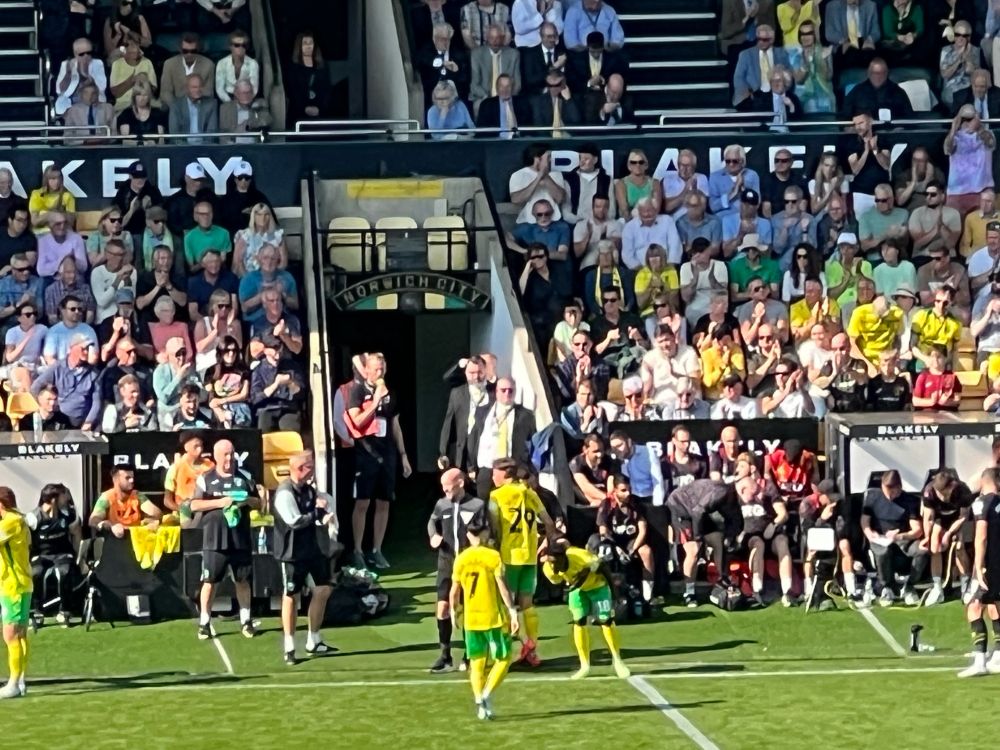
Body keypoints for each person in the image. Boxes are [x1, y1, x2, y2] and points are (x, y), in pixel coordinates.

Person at [346, 352, 412, 570]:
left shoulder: (390, 393)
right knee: (363, 502)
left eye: (382, 369)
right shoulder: (357, 391)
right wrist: (375, 402)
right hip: (365, 453)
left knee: (384, 502)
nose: (380, 373)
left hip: (388, 453)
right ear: (366, 370)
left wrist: (403, 456)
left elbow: (395, 425)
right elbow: (356, 421)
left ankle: (377, 549)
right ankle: (357, 550)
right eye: (376, 369)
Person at [487, 457, 555, 667]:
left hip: (509, 556)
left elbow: (495, 528)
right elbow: (548, 522)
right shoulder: (530, 492)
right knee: (527, 604)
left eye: (495, 473)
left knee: (506, 605)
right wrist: (547, 545)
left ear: (505, 474)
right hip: (529, 556)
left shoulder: (496, 496)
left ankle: (506, 653)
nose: (492, 477)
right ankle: (532, 650)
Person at [450, 516, 518, 721]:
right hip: (493, 618)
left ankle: (480, 702)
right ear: (485, 533)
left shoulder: (461, 558)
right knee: (504, 659)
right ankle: (487, 694)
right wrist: (512, 610)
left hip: (471, 620)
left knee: (477, 663)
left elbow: (454, 590)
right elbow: (502, 586)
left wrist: (454, 611)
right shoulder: (493, 556)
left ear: (468, 535)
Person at [191, 439, 260, 639]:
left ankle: (246, 621)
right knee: (210, 581)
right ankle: (204, 622)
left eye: (231, 454)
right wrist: (220, 502)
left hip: (240, 539)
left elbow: (258, 503)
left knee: (242, 580)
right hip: (214, 539)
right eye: (225, 455)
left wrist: (246, 500)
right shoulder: (206, 478)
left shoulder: (245, 477)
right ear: (216, 456)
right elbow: (193, 505)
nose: (229, 459)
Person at [273, 451, 336, 665]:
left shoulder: (309, 490)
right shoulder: (285, 493)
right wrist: (316, 513)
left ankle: (314, 639)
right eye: (310, 467)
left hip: (312, 549)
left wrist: (325, 511)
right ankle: (289, 645)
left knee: (323, 589)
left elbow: (320, 509)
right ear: (300, 469)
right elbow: (295, 521)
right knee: (291, 595)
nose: (313, 471)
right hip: (291, 552)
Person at [541, 538, 629, 679]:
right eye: (551, 562)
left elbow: (603, 567)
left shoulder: (580, 556)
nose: (553, 565)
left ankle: (617, 660)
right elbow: (562, 581)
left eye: (556, 561)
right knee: (579, 621)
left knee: (605, 620)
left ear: (564, 556)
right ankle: (584, 665)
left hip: (597, 585)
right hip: (577, 590)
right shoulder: (549, 569)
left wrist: (614, 592)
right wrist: (578, 580)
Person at [428, 468, 486, 673]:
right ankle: (445, 656)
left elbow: (483, 531)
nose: (445, 491)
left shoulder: (477, 505)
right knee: (442, 608)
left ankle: (470, 653)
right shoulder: (442, 504)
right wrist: (434, 535)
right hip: (446, 562)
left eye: (448, 487)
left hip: (469, 565)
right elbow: (432, 521)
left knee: (468, 610)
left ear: (460, 483)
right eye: (443, 487)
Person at [667, 478, 743, 607]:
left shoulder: (732, 498)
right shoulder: (721, 492)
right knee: (694, 549)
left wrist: (730, 538)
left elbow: (736, 521)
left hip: (698, 511)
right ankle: (689, 593)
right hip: (680, 506)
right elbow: (698, 512)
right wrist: (698, 538)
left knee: (718, 540)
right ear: (743, 490)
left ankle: (722, 579)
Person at [861, 469, 928, 606]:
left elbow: (917, 530)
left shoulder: (909, 501)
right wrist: (869, 533)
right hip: (880, 538)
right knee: (882, 552)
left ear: (899, 487)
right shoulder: (872, 496)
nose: (889, 496)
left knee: (922, 551)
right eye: (886, 492)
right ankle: (887, 587)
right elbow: (865, 520)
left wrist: (900, 536)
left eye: (892, 493)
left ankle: (909, 586)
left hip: (903, 539)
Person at [958, 467, 1000, 677]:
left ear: (984, 482)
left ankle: (980, 661)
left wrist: (978, 565)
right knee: (995, 605)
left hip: (989, 564)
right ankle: (998, 656)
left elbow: (981, 536)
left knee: (974, 607)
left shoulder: (982, 503)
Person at [734, 471, 795, 606]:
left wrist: (774, 524)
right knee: (758, 543)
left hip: (770, 533)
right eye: (753, 493)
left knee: (782, 542)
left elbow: (783, 514)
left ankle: (787, 590)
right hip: (750, 536)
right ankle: (757, 589)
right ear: (743, 490)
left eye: (757, 492)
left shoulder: (767, 496)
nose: (757, 496)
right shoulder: (733, 498)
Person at [469, 376, 534, 499]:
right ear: (496, 391)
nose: (507, 393)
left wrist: (528, 470)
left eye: (511, 390)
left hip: (512, 470)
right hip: (487, 469)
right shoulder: (482, 412)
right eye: (503, 390)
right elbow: (473, 438)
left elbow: (532, 444)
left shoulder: (526, 415)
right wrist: (471, 466)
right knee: (485, 505)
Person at [26, 484, 80, 625]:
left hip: (63, 553)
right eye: (63, 496)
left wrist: (80, 557)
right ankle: (37, 611)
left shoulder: (68, 515)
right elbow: (26, 541)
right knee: (36, 573)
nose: (66, 498)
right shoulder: (33, 518)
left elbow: (76, 535)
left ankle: (64, 611)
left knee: (64, 572)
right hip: (41, 555)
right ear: (54, 500)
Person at [597, 475, 654, 604]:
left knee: (646, 551)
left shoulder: (635, 502)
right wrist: (616, 548)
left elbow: (642, 530)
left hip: (632, 541)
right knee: (604, 551)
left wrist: (633, 549)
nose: (627, 493)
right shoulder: (607, 504)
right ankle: (607, 594)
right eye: (623, 490)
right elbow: (603, 531)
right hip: (613, 542)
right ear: (615, 491)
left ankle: (648, 596)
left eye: (629, 489)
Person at [920, 469, 973, 607]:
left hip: (958, 520)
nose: (942, 497)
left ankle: (965, 585)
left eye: (945, 493)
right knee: (935, 546)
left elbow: (963, 517)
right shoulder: (929, 492)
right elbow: (929, 518)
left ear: (952, 486)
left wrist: (949, 534)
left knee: (959, 546)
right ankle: (937, 587)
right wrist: (927, 537)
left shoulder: (963, 491)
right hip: (940, 520)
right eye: (939, 493)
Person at [0, 487, 31, 699]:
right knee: (19, 634)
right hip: (19, 584)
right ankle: (19, 680)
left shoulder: (11, 521)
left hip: (14, 586)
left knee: (11, 634)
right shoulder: (17, 519)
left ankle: (13, 683)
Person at [438, 354, 492, 473]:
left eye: (480, 372)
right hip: (461, 454)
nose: (476, 377)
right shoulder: (457, 393)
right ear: (465, 373)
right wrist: (443, 452)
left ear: (485, 371)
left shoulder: (493, 393)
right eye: (472, 373)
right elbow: (448, 423)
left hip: (484, 456)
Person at [944, 104, 997, 217]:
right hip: (957, 192)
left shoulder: (986, 134)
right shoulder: (955, 138)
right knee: (954, 223)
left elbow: (990, 143)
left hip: (982, 190)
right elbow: (947, 149)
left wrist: (979, 126)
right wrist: (953, 128)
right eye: (964, 119)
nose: (967, 122)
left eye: (970, 118)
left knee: (982, 224)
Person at [89, 464, 162, 535]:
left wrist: (148, 520)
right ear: (115, 480)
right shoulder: (107, 497)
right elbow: (93, 520)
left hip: (136, 537)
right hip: (114, 537)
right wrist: (108, 525)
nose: (132, 480)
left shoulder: (137, 495)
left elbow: (157, 513)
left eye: (132, 477)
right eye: (127, 478)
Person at [732, 24, 790, 108]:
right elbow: (738, 78)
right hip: (753, 96)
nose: (761, 42)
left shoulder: (781, 53)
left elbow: (788, 76)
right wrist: (748, 94)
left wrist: (782, 90)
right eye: (759, 39)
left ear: (772, 39)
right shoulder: (745, 55)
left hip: (776, 94)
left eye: (765, 40)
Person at [469, 23, 521, 116]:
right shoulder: (477, 54)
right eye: (492, 38)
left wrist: (507, 96)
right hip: (485, 96)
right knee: (479, 106)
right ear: (487, 38)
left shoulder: (513, 54)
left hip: (507, 95)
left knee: (515, 106)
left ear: (503, 38)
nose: (495, 41)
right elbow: (474, 85)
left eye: (498, 38)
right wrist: (488, 99)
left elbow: (517, 84)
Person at [159, 33, 216, 108]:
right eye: (185, 51)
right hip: (175, 106)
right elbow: (165, 92)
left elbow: (208, 93)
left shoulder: (208, 65)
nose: (189, 54)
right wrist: (177, 108)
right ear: (180, 50)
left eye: (193, 51)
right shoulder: (169, 64)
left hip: (199, 107)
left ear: (198, 49)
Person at [789, 19, 834, 114]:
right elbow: (798, 80)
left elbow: (828, 77)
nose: (805, 37)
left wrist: (824, 60)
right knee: (810, 103)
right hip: (804, 95)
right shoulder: (795, 55)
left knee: (826, 100)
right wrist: (806, 63)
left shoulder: (824, 51)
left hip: (824, 93)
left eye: (809, 33)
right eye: (802, 34)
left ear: (814, 35)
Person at [286, 32, 331, 125]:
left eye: (310, 43)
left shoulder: (322, 66)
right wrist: (304, 108)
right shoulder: (293, 68)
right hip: (298, 115)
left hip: (319, 114)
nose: (308, 46)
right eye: (305, 43)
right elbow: (292, 90)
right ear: (299, 46)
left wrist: (320, 108)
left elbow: (326, 89)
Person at [163, 431, 213, 514]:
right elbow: (167, 501)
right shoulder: (176, 467)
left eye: (201, 446)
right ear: (186, 447)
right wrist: (183, 511)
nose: (200, 449)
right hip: (182, 512)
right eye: (196, 446)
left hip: (206, 511)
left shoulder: (210, 466)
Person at [940, 20, 980, 109]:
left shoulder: (975, 51)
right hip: (951, 90)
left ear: (969, 37)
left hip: (969, 90)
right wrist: (959, 60)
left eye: (964, 35)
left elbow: (972, 72)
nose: (960, 38)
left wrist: (967, 56)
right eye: (957, 34)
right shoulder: (946, 50)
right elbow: (945, 74)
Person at [168, 74, 218, 144]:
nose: (198, 90)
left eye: (200, 86)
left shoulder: (211, 104)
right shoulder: (176, 106)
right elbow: (174, 134)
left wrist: (204, 147)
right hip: (182, 147)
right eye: (194, 87)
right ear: (186, 88)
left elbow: (211, 132)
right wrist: (185, 148)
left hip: (204, 146)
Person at [219, 79, 274, 144]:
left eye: (249, 92)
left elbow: (266, 120)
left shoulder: (260, 103)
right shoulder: (225, 108)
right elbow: (223, 135)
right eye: (243, 93)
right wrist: (235, 134)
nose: (247, 96)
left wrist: (247, 124)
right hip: (233, 146)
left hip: (254, 146)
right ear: (236, 94)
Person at [615, 150, 662, 221]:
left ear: (646, 165)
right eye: (633, 162)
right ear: (629, 166)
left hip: (650, 220)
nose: (637, 165)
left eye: (641, 162)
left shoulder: (655, 183)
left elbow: (656, 208)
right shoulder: (621, 184)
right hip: (628, 221)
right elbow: (624, 211)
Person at [28, 166, 76, 235]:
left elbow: (71, 222)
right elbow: (35, 221)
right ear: (46, 179)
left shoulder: (68, 196)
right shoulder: (37, 194)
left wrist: (44, 215)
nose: (57, 181)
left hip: (61, 232)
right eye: (53, 178)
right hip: (41, 233)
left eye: (59, 178)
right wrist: (50, 215)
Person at [215, 30, 259, 103]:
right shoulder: (222, 63)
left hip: (247, 97)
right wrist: (230, 103)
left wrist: (246, 100)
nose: (241, 48)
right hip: (228, 97)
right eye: (237, 45)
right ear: (230, 47)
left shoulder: (253, 64)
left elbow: (254, 88)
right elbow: (220, 89)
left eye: (244, 45)